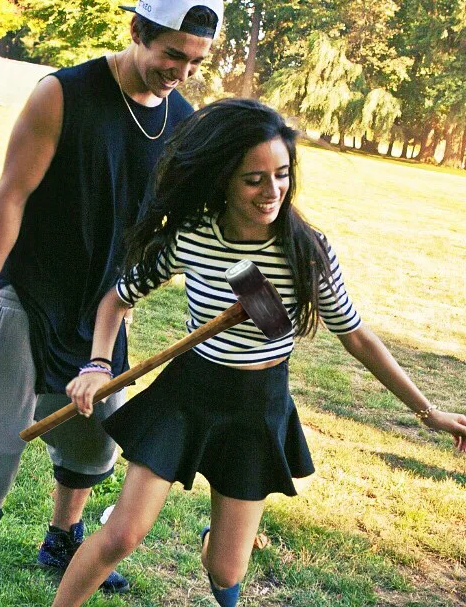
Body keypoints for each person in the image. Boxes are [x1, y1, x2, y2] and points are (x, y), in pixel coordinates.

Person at [54, 98, 466, 607]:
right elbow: (117, 300)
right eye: (254, 179)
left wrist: (427, 411)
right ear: (223, 179)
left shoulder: (306, 252)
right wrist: (98, 364)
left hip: (257, 403)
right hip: (188, 394)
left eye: (282, 175)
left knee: (227, 569)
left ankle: (216, 543)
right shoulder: (193, 236)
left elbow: (357, 336)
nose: (272, 191)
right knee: (121, 535)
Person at [0, 0, 225, 606]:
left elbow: (181, 224)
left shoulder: (183, 122)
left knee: (96, 438)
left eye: (195, 62)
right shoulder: (62, 95)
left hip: (103, 310)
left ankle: (62, 539)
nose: (180, 72)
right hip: (27, 295)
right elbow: (10, 197)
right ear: (137, 30)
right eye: (172, 54)